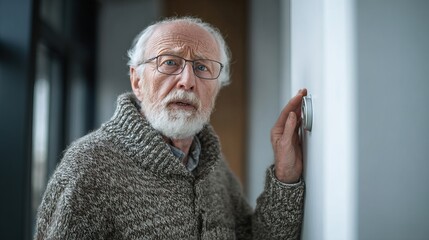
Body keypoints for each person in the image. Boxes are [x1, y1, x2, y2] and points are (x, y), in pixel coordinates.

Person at [34, 16, 307, 239]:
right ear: (137, 81)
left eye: (202, 67)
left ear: (216, 88)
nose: (187, 81)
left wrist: (285, 175)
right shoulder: (88, 166)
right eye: (169, 63)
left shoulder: (212, 166)